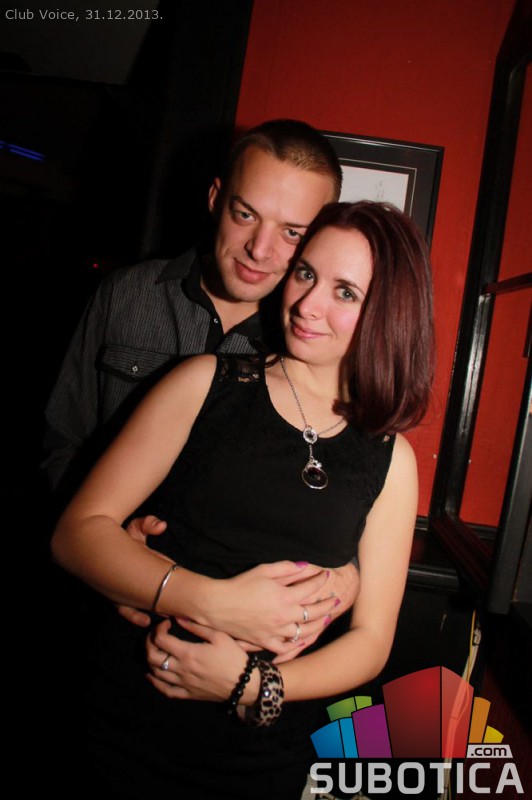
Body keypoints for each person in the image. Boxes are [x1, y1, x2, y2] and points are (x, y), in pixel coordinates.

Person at [52, 200, 434, 798]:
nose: (307, 304)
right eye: (305, 273)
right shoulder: (204, 383)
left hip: (262, 765)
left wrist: (255, 684)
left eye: (345, 292)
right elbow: (76, 533)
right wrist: (213, 602)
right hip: (122, 731)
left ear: (389, 313)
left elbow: (371, 641)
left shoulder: (392, 457)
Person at [44, 119, 357, 638]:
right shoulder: (127, 296)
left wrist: (345, 578)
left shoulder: (312, 341)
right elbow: (61, 440)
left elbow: (344, 492)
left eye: (292, 233)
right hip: (91, 607)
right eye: (245, 214)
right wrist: (110, 551)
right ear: (216, 199)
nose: (260, 248)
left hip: (230, 636)